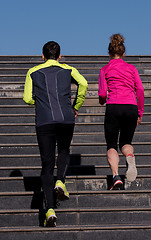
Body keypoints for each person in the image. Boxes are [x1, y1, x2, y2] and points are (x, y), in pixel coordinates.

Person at [23, 41, 88, 227]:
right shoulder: (68, 69)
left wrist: (41, 101)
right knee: (65, 150)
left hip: (44, 120)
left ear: (42, 56)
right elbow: (83, 84)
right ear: (60, 56)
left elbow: (27, 98)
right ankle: (60, 180)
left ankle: (50, 209)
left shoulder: (33, 71)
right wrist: (76, 106)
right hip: (66, 117)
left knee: (47, 163)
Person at [98, 34, 144, 190]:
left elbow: (103, 94)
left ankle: (116, 176)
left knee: (111, 144)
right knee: (126, 142)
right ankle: (130, 158)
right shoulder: (131, 68)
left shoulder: (105, 69)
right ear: (124, 53)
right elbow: (140, 90)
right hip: (131, 106)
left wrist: (102, 101)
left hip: (114, 106)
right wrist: (140, 112)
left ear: (109, 53)